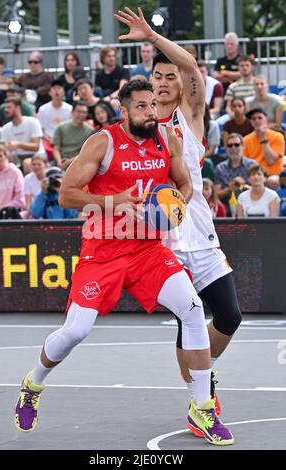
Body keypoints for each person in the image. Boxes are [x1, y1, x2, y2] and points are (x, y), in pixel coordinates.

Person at [14, 78, 233, 446]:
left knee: (193, 309)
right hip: (103, 251)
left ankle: (202, 407)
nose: (150, 113)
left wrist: (173, 203)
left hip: (148, 249)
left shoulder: (169, 140)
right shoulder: (103, 142)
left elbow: (185, 184)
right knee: (75, 332)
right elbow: (67, 194)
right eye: (142, 107)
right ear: (125, 110)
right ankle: (33, 384)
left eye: (153, 105)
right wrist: (112, 201)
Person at [115, 7, 241, 440]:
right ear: (149, 85)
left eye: (171, 77)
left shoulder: (188, 117)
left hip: (200, 232)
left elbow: (189, 65)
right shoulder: (140, 124)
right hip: (162, 237)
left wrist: (150, 35)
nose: (166, 81)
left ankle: (204, 377)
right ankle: (198, 400)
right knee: (190, 317)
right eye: (158, 77)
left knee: (230, 315)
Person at [0, 97, 44, 174]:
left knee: (27, 163)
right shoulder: (5, 128)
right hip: (16, 159)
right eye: (5, 108)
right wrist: (7, 150)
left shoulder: (32, 122)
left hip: (35, 157)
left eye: (9, 107)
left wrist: (18, 144)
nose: (6, 110)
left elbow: (36, 147)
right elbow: (3, 149)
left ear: (18, 108)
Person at [214, 133, 254, 216]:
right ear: (226, 148)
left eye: (236, 145)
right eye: (230, 145)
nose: (233, 148)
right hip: (227, 204)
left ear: (243, 146)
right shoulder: (220, 168)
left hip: (250, 201)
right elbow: (216, 195)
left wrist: (244, 185)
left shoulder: (251, 165)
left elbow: (260, 188)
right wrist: (229, 189)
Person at [52, 100, 94, 170]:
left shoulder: (90, 131)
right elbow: (56, 149)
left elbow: (87, 153)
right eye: (78, 111)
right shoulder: (60, 127)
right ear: (72, 112)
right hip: (61, 161)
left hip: (79, 162)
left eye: (84, 112)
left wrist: (69, 162)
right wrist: (59, 161)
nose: (81, 115)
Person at [0, 144, 24, 218]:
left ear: (5, 156)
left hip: (12, 211)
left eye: (1, 156)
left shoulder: (15, 172)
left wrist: (4, 207)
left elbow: (19, 198)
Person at [244, 108, 285, 176]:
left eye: (260, 118)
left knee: (272, 181)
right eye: (253, 119)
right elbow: (245, 163)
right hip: (253, 175)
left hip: (273, 174)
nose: (257, 120)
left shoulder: (278, 136)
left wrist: (263, 138)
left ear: (266, 119)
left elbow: (270, 161)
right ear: (251, 122)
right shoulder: (245, 139)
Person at [38, 79, 72, 159]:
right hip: (48, 140)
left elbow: (71, 128)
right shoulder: (43, 109)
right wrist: (49, 139)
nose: (57, 91)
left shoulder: (70, 109)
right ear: (50, 93)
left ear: (63, 92)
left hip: (65, 140)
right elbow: (41, 129)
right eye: (54, 89)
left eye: (59, 89)